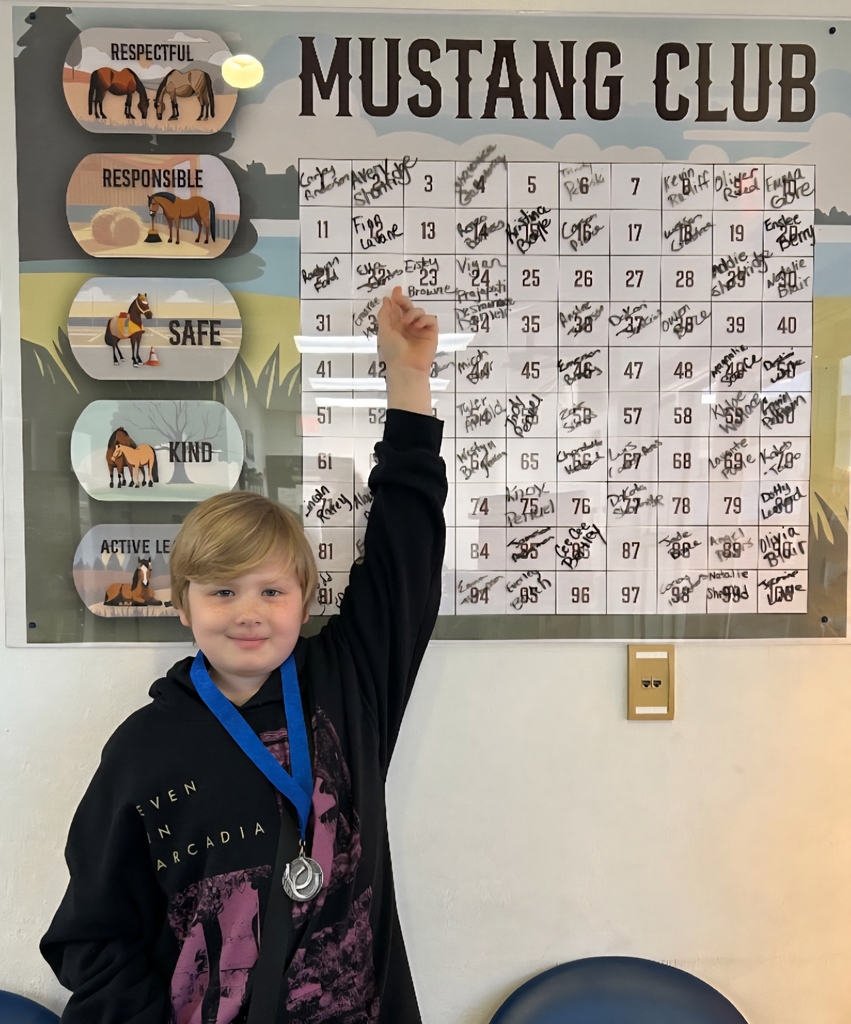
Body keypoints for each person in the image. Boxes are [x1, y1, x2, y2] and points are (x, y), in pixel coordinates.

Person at [41, 287, 447, 1024]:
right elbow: (91, 939)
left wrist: (407, 380)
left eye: (271, 591)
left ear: (304, 597)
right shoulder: (142, 751)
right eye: (222, 593)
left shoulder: (346, 685)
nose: (250, 614)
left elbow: (404, 554)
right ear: (183, 603)